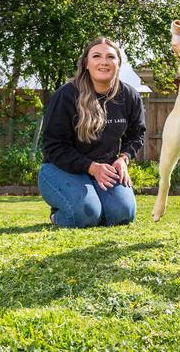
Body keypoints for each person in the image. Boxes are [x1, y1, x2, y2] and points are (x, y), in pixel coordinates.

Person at [38, 37, 146, 228]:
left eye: (110, 57)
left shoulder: (129, 95)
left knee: (123, 215)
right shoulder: (65, 96)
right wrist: (91, 167)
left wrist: (123, 158)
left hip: (104, 169)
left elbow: (137, 133)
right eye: (96, 56)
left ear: (118, 63)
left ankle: (93, 204)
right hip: (60, 168)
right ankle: (60, 213)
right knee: (85, 217)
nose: (104, 61)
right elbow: (53, 146)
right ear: (86, 63)